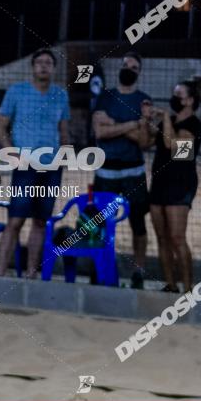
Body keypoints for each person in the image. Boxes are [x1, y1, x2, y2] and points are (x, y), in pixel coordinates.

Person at [0, 48, 70, 278]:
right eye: (40, 62)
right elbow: (0, 126)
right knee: (15, 220)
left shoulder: (61, 95)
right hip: (25, 166)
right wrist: (11, 153)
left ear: (54, 68)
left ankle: (30, 274)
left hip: (50, 168)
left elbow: (64, 131)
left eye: (48, 62)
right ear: (33, 67)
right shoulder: (17, 92)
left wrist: (65, 155)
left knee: (40, 221)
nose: (44, 66)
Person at [91, 52, 151, 287]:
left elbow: (144, 142)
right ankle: (100, 270)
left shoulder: (144, 100)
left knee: (138, 224)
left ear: (139, 72)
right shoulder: (106, 97)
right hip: (105, 172)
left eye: (134, 67)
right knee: (99, 224)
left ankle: (139, 273)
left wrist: (114, 124)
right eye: (126, 65)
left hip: (134, 172)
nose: (129, 69)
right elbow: (100, 132)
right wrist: (134, 124)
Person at [148, 76, 201, 293]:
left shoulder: (194, 125)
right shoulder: (168, 121)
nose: (174, 98)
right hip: (159, 183)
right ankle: (171, 284)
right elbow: (146, 142)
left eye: (179, 95)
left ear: (190, 100)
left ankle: (189, 288)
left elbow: (174, 147)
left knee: (176, 237)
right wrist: (145, 122)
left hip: (180, 185)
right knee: (162, 237)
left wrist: (164, 118)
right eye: (174, 94)